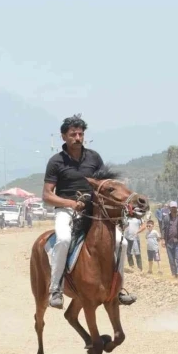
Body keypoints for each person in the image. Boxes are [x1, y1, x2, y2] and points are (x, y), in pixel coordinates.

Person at [42, 114, 136, 308]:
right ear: (63, 137)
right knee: (64, 239)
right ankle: (55, 289)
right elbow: (47, 195)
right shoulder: (56, 162)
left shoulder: (94, 157)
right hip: (66, 211)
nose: (77, 137)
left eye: (80, 133)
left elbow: (105, 185)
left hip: (93, 212)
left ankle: (117, 289)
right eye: (73, 134)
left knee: (122, 242)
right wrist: (69, 203)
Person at [160, 201, 178, 277]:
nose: (173, 209)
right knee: (171, 259)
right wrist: (162, 239)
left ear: (177, 207)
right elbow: (162, 229)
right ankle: (174, 274)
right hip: (169, 242)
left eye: (174, 207)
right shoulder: (166, 218)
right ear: (169, 208)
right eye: (172, 207)